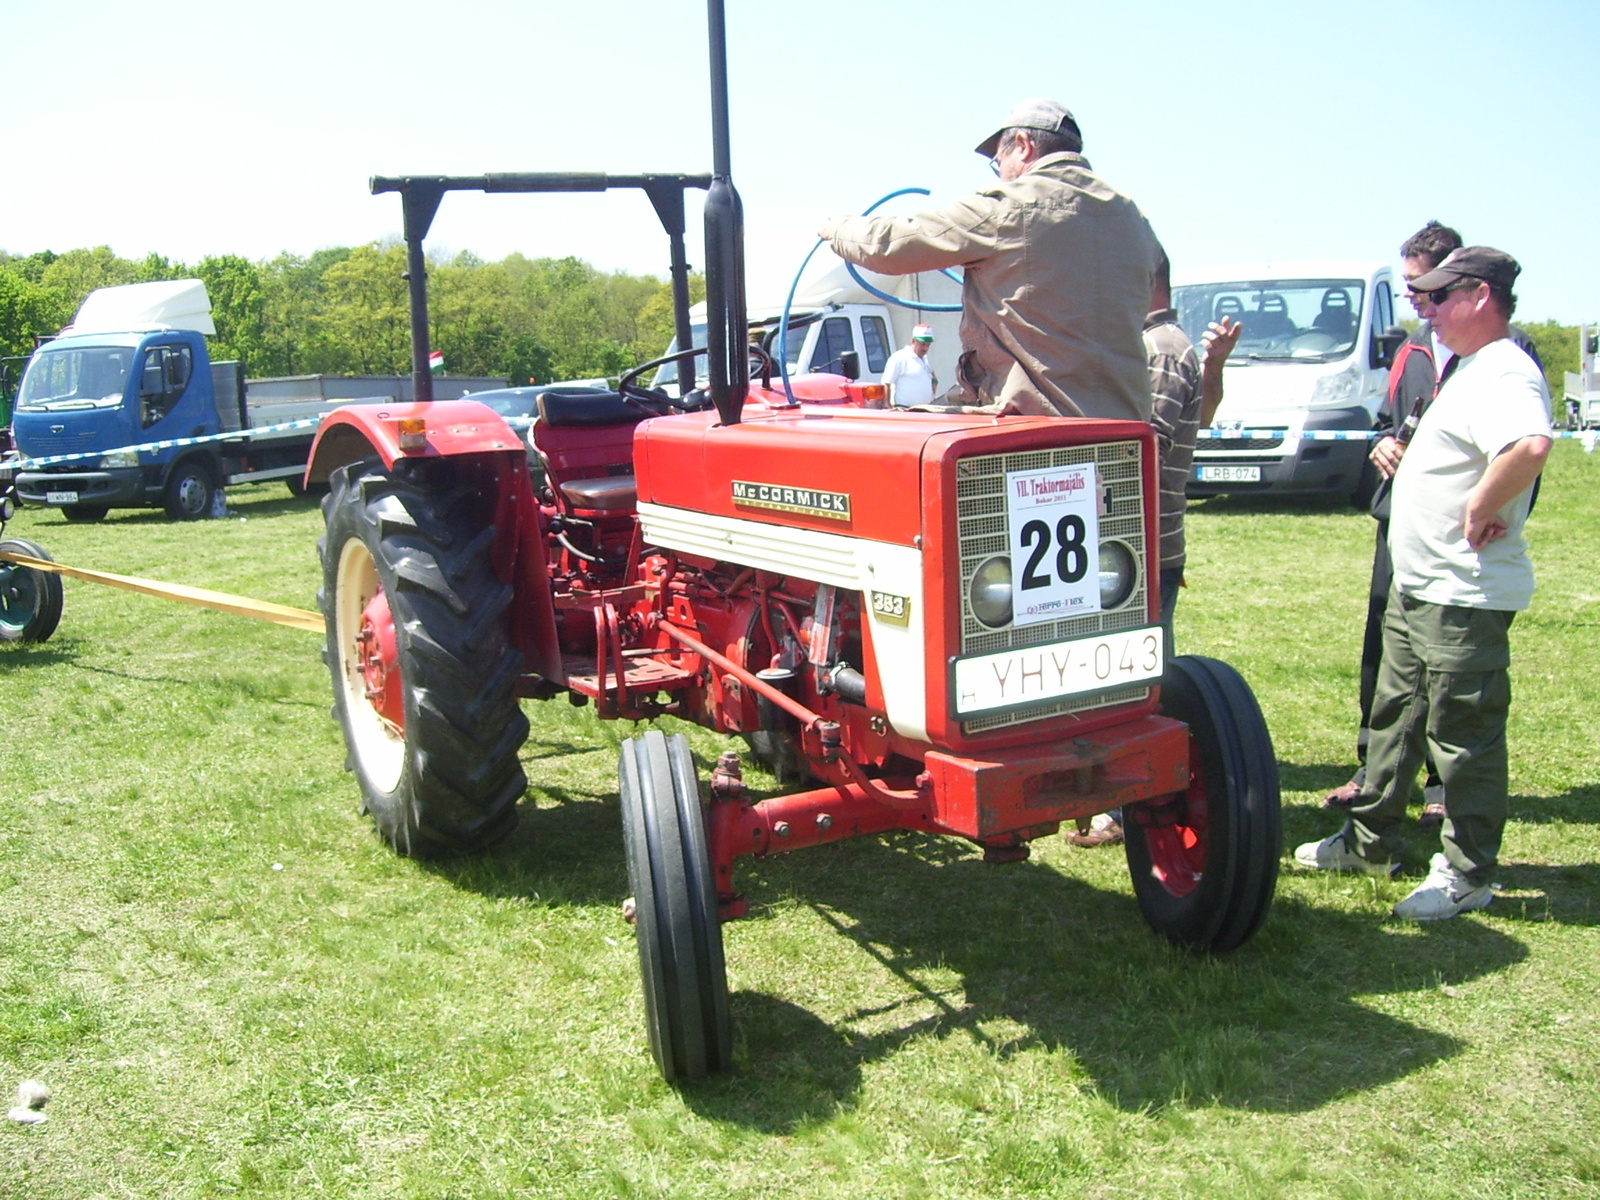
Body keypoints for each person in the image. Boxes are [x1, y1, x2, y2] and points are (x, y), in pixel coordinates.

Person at [1295, 247, 1552, 920]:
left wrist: (1482, 507)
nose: (1428, 310)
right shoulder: (1469, 368)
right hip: (1421, 586)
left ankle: (1467, 873)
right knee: (1396, 716)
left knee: (1462, 733)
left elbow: (1529, 446)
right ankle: (1372, 841)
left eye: (1440, 298)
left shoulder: (1505, 371)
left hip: (1462, 593)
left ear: (1481, 297)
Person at [819, 98, 1159, 422]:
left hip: (1035, 425)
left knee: (896, 440)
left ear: (1023, 145)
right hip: (1125, 428)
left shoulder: (1011, 206)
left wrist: (837, 227)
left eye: (998, 162)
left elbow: (891, 246)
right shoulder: (1134, 219)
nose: (1000, 174)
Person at [1065, 252, 1241, 850]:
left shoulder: (1160, 349)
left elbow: (1149, 447)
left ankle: (1125, 802)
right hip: (1136, 543)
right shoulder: (1159, 343)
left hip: (1143, 545)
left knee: (1135, 674)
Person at [881, 324, 939, 408]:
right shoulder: (900, 357)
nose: (925, 348)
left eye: (928, 345)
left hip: (925, 410)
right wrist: (889, 406)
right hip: (905, 409)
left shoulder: (925, 360)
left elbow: (934, 379)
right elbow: (886, 383)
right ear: (913, 341)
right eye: (923, 344)